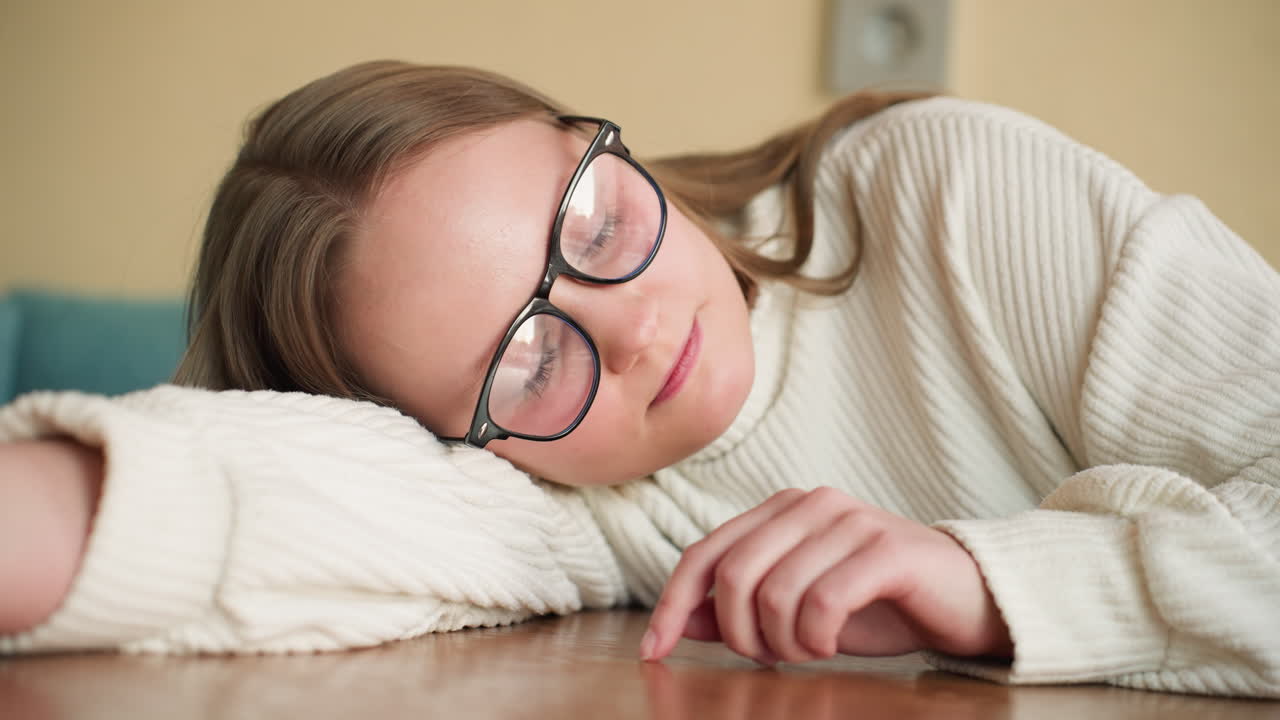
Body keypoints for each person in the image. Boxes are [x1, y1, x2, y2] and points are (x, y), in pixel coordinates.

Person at [0, 60, 1276, 698]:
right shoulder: (550, 503)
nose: (629, 330)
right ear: (459, 439)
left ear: (604, 140)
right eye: (525, 355)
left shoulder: (944, 195)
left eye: (595, 221)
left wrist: (983, 581)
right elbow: (244, 495)